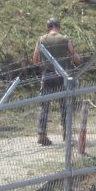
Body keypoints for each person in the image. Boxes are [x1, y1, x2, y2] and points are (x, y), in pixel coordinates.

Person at [31, 17, 82, 146]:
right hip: (62, 76)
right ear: (58, 27)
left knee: (44, 106)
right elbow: (76, 59)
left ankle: (42, 133)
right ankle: (66, 133)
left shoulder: (41, 39)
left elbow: (35, 59)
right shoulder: (65, 39)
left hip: (47, 76)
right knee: (65, 105)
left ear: (48, 28)